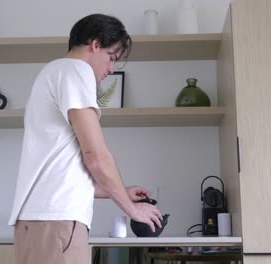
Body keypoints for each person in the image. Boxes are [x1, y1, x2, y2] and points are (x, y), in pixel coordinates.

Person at [8, 14, 163, 264]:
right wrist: (132, 209)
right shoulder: (75, 70)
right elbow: (96, 158)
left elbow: (67, 173)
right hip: (56, 223)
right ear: (95, 44)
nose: (111, 68)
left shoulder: (55, 72)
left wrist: (119, 192)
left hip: (44, 222)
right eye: (111, 57)